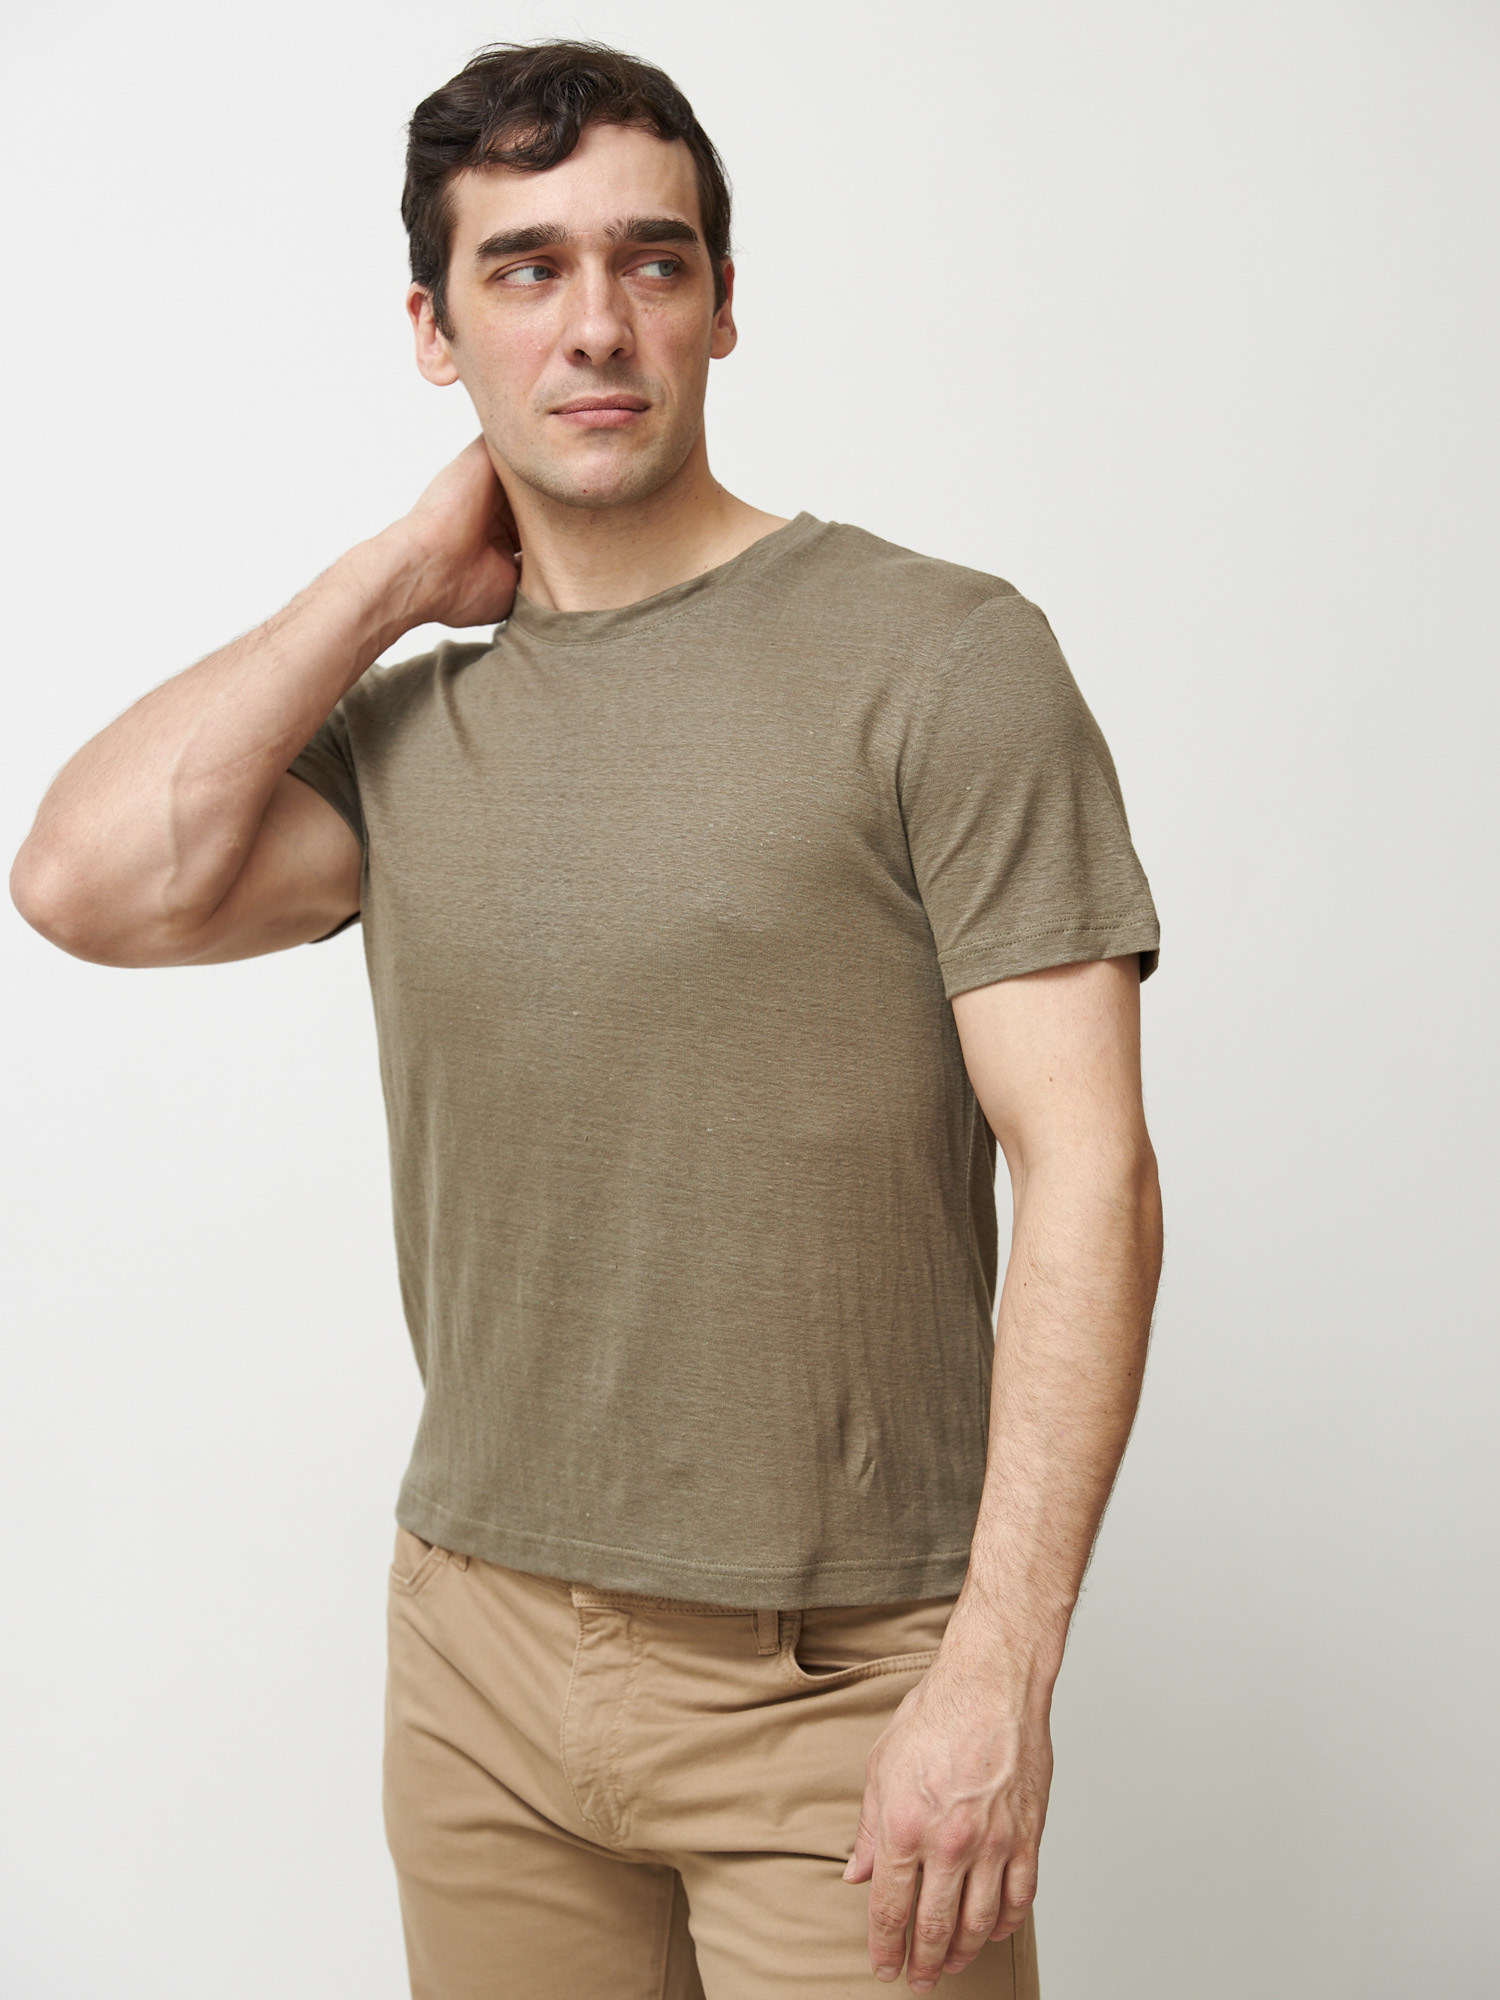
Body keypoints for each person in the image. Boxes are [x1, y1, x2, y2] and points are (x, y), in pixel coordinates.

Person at [10, 39, 1163, 2000]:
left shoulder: (941, 658)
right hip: (477, 1655)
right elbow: (83, 882)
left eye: (651, 259)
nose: (598, 323)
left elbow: (1092, 1172)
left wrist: (1000, 1668)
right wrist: (398, 574)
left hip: (839, 1677)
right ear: (434, 330)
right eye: (526, 268)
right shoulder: (406, 735)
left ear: (723, 301)